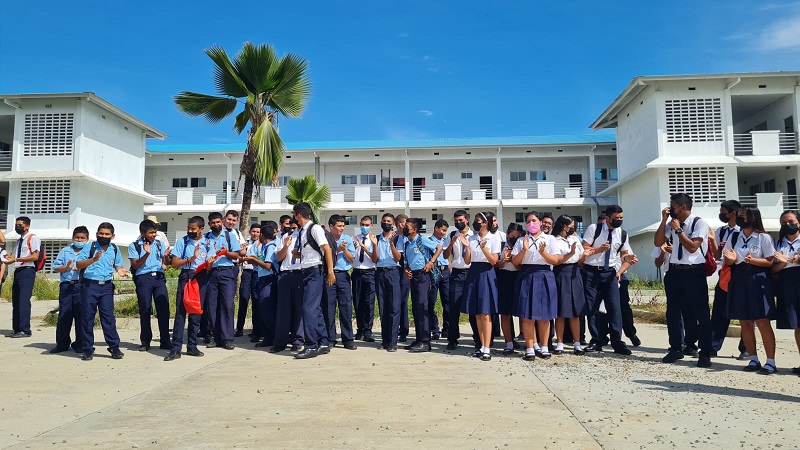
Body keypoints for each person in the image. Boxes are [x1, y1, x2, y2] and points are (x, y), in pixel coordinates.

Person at [655, 193, 713, 368]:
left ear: (682, 207)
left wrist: (679, 230)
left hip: (694, 272)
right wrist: (664, 220)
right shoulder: (671, 224)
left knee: (701, 314)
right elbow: (658, 242)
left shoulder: (699, 223)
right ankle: (675, 349)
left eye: (672, 206)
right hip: (674, 272)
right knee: (672, 313)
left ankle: (704, 353)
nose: (670, 209)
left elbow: (693, 247)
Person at [722, 206, 777, 374]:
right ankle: (753, 359)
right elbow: (730, 258)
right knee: (745, 322)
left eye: (743, 216)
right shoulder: (735, 235)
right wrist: (730, 260)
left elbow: (770, 261)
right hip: (739, 279)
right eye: (739, 216)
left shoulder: (763, 237)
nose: (740, 219)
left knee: (762, 321)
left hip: (758, 279)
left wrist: (752, 260)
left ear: (753, 218)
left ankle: (770, 362)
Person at [581, 205, 634, 355]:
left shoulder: (622, 234)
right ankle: (596, 340)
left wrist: (627, 258)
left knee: (614, 307)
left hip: (610, 272)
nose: (619, 221)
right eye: (616, 218)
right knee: (592, 308)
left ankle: (617, 341)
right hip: (591, 272)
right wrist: (599, 250)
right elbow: (584, 248)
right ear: (608, 218)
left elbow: (623, 253)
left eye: (621, 218)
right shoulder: (594, 229)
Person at [75, 222, 130, 361]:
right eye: (101, 233)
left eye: (107, 234)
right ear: (96, 234)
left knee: (108, 317)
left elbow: (118, 264)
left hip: (106, 286)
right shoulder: (90, 247)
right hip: (90, 286)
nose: (104, 236)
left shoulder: (114, 249)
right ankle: (87, 348)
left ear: (112, 236)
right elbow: (79, 264)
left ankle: (114, 347)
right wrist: (94, 259)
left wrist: (120, 270)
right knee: (87, 317)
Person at [512, 211, 562, 360]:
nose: (531, 224)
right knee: (527, 316)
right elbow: (515, 262)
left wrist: (543, 252)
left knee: (544, 315)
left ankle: (544, 346)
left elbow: (555, 260)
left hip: (544, 274)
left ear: (540, 222)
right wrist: (524, 250)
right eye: (528, 221)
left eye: (534, 220)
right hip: (526, 275)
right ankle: (530, 348)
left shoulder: (550, 239)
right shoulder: (522, 240)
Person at [165, 216, 215, 361]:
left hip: (201, 277)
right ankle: (176, 348)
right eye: (189, 228)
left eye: (193, 229)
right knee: (181, 312)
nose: (190, 231)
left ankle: (192, 345)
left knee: (196, 312)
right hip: (186, 276)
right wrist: (191, 259)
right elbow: (174, 264)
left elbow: (208, 266)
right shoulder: (182, 241)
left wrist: (210, 263)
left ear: (201, 229)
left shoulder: (208, 243)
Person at [291, 202, 335, 359]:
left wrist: (330, 272)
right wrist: (299, 254)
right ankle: (323, 342)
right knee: (315, 309)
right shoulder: (303, 231)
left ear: (299, 215)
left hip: (314, 272)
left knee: (308, 308)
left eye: (294, 214)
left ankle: (311, 346)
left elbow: (327, 249)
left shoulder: (314, 228)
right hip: (305, 272)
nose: (293, 217)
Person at [710, 199, 748, 358]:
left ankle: (746, 348)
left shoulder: (745, 230)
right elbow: (717, 255)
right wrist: (713, 241)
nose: (721, 214)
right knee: (719, 311)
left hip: (741, 273)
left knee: (745, 313)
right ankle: (712, 346)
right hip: (725, 273)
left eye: (723, 212)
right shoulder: (721, 231)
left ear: (733, 213)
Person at [462, 212, 501, 361]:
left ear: (485, 222)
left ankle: (487, 347)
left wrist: (484, 249)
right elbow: (467, 261)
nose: (475, 223)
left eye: (478, 221)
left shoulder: (494, 238)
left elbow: (494, 261)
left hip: (486, 272)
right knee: (477, 313)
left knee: (485, 313)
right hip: (474, 272)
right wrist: (467, 248)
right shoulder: (471, 238)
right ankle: (481, 346)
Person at [551, 215, 592, 355]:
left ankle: (577, 343)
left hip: (575, 273)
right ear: (564, 226)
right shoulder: (554, 240)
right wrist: (571, 253)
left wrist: (585, 255)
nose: (573, 228)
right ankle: (560, 343)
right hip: (561, 273)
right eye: (571, 225)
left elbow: (580, 260)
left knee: (575, 312)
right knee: (560, 312)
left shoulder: (575, 238)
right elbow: (556, 260)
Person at [129, 219, 171, 351]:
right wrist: (146, 254)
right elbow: (135, 264)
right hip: (144, 279)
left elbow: (166, 263)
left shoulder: (159, 244)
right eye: (151, 232)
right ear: (143, 233)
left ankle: (165, 341)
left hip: (158, 278)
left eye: (155, 232)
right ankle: (145, 341)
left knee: (163, 310)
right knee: (145, 309)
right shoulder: (134, 246)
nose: (154, 235)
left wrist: (166, 257)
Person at [402, 218, 443, 352]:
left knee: (422, 306)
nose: (405, 228)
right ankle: (419, 338)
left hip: (423, 275)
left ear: (414, 229)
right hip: (413, 275)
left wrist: (431, 262)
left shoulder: (422, 240)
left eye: (407, 226)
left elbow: (439, 247)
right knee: (416, 308)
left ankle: (425, 341)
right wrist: (407, 269)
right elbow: (408, 260)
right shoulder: (408, 242)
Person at [202, 212, 241, 350]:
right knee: (211, 306)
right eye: (213, 223)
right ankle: (214, 337)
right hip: (211, 273)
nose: (216, 225)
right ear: (209, 224)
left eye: (218, 222)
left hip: (226, 272)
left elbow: (237, 255)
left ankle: (227, 338)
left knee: (227, 305)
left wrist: (226, 252)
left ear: (222, 221)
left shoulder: (229, 235)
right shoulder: (205, 238)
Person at [49, 226, 90, 353]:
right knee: (64, 315)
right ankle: (62, 344)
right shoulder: (65, 251)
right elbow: (56, 268)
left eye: (82, 238)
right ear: (73, 238)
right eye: (77, 237)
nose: (79, 240)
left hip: (82, 285)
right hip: (67, 285)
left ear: (87, 239)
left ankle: (80, 344)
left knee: (81, 315)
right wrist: (66, 267)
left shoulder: (90, 252)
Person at [445, 210, 477, 351]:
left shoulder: (475, 236)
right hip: (457, 274)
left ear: (467, 220)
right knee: (454, 308)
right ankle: (452, 339)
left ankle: (478, 338)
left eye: (460, 220)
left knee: (473, 309)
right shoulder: (452, 235)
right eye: (456, 220)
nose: (458, 223)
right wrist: (451, 243)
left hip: (471, 273)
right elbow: (446, 254)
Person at [323, 214, 357, 350]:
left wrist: (344, 249)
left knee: (346, 308)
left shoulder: (347, 239)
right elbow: (324, 255)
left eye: (343, 226)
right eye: (339, 226)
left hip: (343, 275)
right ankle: (330, 338)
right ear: (331, 226)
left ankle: (348, 338)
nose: (342, 228)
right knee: (329, 308)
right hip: (329, 275)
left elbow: (351, 259)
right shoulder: (326, 239)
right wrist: (336, 249)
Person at [271, 218, 305, 353]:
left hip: (299, 274)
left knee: (299, 310)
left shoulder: (305, 237)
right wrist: (286, 246)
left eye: (295, 227)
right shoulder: (285, 237)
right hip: (285, 274)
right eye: (290, 227)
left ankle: (298, 340)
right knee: (283, 311)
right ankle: (280, 342)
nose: (292, 230)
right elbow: (279, 257)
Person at [773, 210, 800, 375]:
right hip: (787, 282)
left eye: (790, 221)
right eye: (783, 222)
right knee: (797, 325)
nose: (787, 224)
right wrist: (782, 264)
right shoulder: (778, 243)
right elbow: (773, 269)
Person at [245, 222, 279, 349]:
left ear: (263, 236)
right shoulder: (265, 247)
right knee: (263, 309)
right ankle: (268, 336)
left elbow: (268, 265)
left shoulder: (271, 246)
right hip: (263, 278)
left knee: (266, 309)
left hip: (269, 280)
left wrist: (254, 260)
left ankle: (271, 336)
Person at [5, 216, 39, 338]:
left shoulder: (33, 238)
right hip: (18, 270)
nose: (17, 227)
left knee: (24, 300)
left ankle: (25, 330)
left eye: (20, 225)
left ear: (27, 226)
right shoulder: (19, 240)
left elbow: (35, 256)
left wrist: (17, 259)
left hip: (27, 271)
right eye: (16, 225)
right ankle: (17, 329)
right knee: (16, 300)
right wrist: (10, 257)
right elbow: (16, 255)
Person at [375, 213, 405, 351]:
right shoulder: (377, 238)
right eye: (384, 221)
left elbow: (398, 258)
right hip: (380, 272)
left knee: (393, 307)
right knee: (383, 307)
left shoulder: (398, 238)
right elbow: (375, 259)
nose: (386, 223)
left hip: (393, 272)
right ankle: (385, 340)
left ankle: (393, 341)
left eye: (388, 221)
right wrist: (374, 246)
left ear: (393, 224)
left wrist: (392, 243)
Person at [495, 223, 522, 355]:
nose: (514, 239)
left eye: (517, 237)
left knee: (523, 312)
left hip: (519, 278)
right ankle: (509, 343)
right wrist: (504, 260)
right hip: (504, 279)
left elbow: (522, 266)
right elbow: (495, 264)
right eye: (512, 236)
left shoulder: (523, 246)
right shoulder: (500, 246)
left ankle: (528, 340)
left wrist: (514, 261)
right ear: (507, 235)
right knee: (505, 313)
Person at [352, 215, 379, 342]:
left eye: (367, 225)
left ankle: (368, 330)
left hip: (369, 273)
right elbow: (351, 256)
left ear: (371, 226)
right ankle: (360, 329)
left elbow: (375, 259)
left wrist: (366, 248)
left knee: (369, 302)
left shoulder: (374, 240)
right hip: (357, 272)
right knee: (358, 302)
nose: (364, 227)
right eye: (363, 224)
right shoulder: (355, 238)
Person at [236, 224, 261, 339]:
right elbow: (239, 258)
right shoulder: (245, 243)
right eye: (253, 231)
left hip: (257, 273)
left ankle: (256, 330)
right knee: (244, 299)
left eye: (257, 232)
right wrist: (245, 257)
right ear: (250, 232)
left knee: (256, 301)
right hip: (246, 273)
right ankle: (239, 328)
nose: (255, 234)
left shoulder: (262, 244)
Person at [427, 219, 450, 341]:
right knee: (432, 302)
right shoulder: (429, 241)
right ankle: (434, 329)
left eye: (445, 231)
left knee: (447, 302)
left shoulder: (446, 241)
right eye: (442, 230)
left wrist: (449, 269)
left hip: (445, 270)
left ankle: (446, 329)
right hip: (434, 272)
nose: (444, 233)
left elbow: (448, 257)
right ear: (436, 228)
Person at [395, 214, 411, 342]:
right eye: (406, 224)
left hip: (407, 269)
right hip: (395, 269)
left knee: (403, 301)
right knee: (394, 301)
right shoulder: (393, 237)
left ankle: (404, 330)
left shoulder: (409, 238)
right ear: (400, 224)